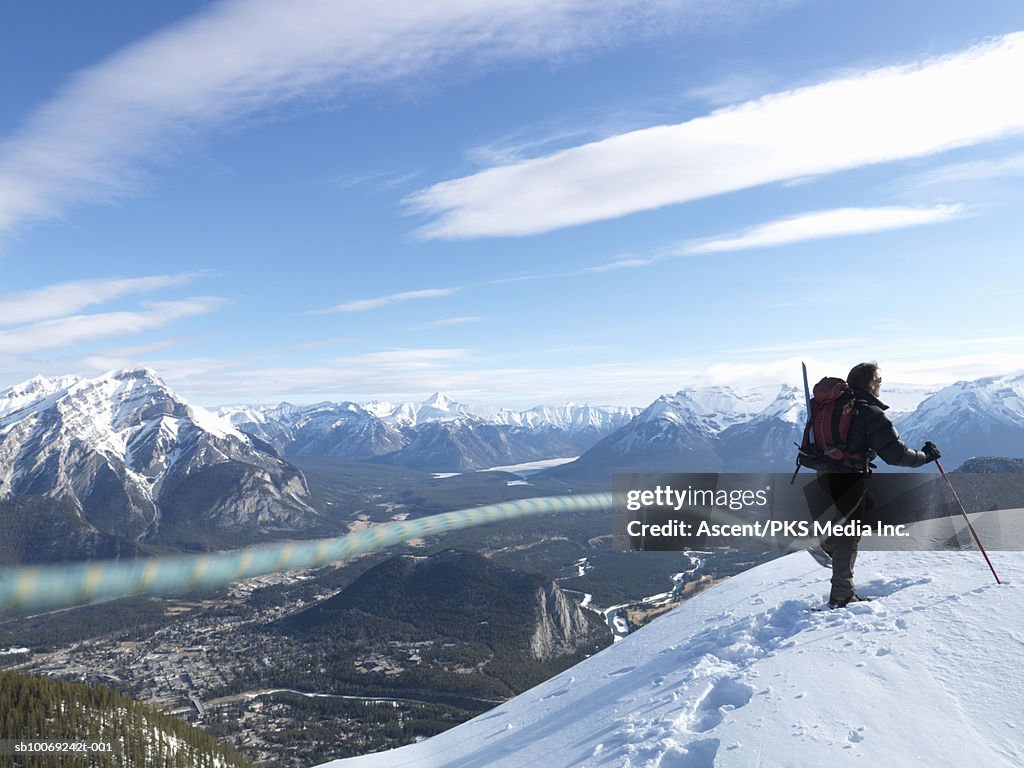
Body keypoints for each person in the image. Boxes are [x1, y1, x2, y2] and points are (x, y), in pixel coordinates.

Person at [816, 362, 941, 609]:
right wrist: (926, 457)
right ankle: (842, 595)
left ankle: (826, 541)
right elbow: (897, 455)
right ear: (870, 384)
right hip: (847, 478)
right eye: (879, 379)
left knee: (870, 505)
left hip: (824, 473)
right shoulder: (870, 414)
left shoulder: (837, 407)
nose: (881, 384)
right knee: (848, 537)